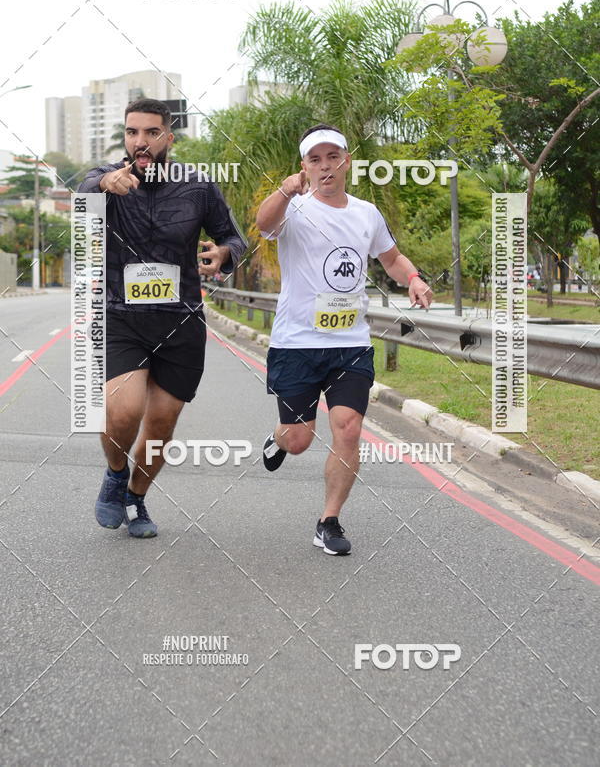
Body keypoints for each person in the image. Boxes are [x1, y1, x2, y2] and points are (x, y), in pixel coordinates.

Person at [256, 124, 432, 555]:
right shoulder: (293, 210)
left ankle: (328, 521)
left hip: (350, 343)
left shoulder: (367, 214)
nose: (325, 166)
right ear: (305, 167)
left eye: (332, 157)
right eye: (315, 159)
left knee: (349, 430)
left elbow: (389, 257)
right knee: (298, 440)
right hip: (297, 342)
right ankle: (277, 438)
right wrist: (284, 192)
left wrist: (411, 277)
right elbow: (263, 223)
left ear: (345, 161)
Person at [78, 98, 246, 538]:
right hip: (122, 319)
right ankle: (116, 473)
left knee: (159, 425)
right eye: (133, 132)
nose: (141, 142)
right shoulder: (108, 180)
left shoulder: (197, 187)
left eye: (152, 133)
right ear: (125, 137)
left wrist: (225, 253)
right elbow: (85, 190)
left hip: (181, 322)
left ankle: (136, 498)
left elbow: (233, 236)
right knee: (122, 414)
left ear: (168, 137)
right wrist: (104, 185)